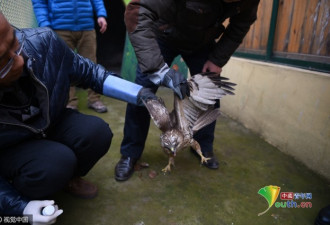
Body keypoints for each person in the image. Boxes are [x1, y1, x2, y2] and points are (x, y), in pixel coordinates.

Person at [0, 12, 154, 224]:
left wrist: (140, 94)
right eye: (3, 60)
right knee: (56, 162)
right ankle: (29, 196)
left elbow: (89, 72)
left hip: (49, 122)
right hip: (9, 148)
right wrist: (19, 210)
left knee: (96, 132)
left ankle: (68, 180)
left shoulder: (43, 41)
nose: (19, 60)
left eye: (14, 41)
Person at [115, 0, 260, 181]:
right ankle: (130, 153)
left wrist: (217, 59)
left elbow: (241, 24)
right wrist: (157, 68)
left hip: (201, 41)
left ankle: (202, 146)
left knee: (210, 89)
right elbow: (137, 12)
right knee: (143, 91)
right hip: (164, 35)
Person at [32, 0, 109, 113]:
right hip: (60, 28)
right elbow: (39, 3)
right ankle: (69, 102)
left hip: (86, 27)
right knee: (64, 65)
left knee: (92, 64)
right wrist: (45, 24)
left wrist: (101, 14)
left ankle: (94, 99)